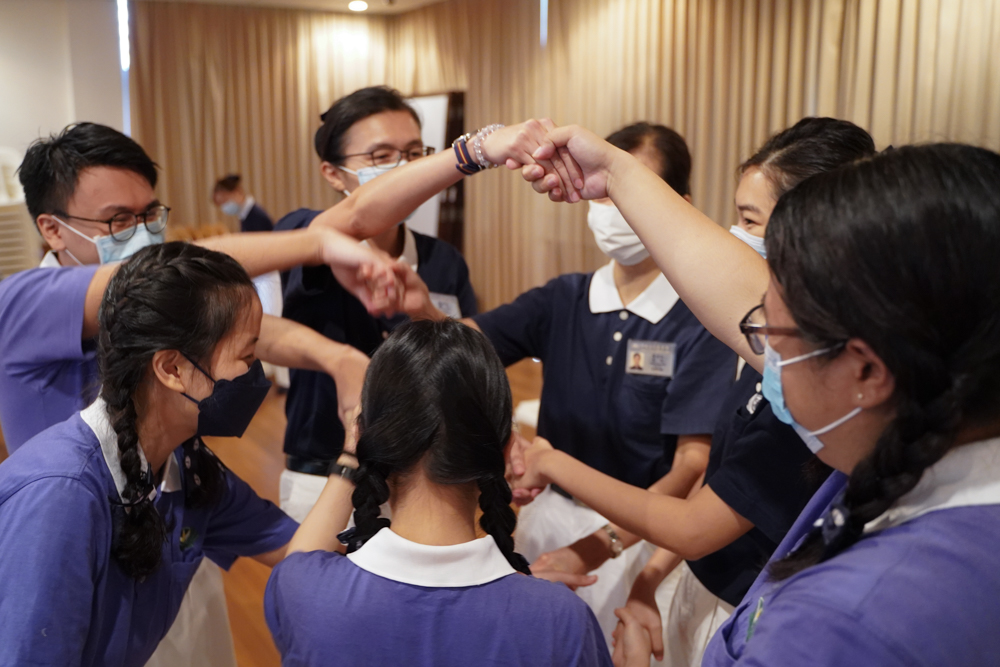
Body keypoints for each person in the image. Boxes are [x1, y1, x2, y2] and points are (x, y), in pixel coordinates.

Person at [524, 128, 1000, 664]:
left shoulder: (841, 623)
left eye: (771, 330)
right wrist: (615, 173)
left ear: (866, 370)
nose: (760, 346)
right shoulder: (916, 443)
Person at [0, 121, 400, 667]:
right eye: (119, 220)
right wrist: (318, 241)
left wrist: (350, 438)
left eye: (150, 214)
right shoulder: (61, 487)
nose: (143, 232)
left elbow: (296, 550)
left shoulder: (184, 471)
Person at [274, 85, 577, 522]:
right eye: (381, 156)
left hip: (426, 486)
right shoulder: (307, 235)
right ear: (333, 174)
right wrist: (478, 149)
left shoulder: (444, 260)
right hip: (324, 476)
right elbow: (354, 218)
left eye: (415, 153)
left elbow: (459, 364)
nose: (405, 168)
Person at [264, 319, 612, 666]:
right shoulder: (563, 621)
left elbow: (299, 559)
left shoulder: (304, 593)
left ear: (364, 436)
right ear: (507, 449)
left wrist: (350, 455)